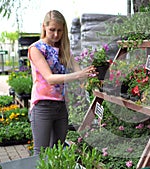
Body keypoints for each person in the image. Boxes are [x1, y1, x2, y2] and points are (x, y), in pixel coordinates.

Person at [28, 10, 96, 155]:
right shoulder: (36, 49)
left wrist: (92, 73)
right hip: (43, 105)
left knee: (58, 152)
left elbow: (80, 72)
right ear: (44, 27)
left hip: (61, 106)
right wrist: (78, 75)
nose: (56, 34)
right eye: (52, 30)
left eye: (59, 30)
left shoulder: (63, 49)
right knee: (41, 153)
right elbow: (50, 78)